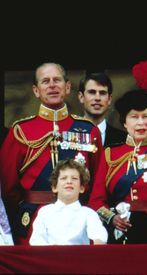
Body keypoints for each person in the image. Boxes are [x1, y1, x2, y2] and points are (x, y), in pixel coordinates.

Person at [0, 62, 103, 245]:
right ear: (36, 90)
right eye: (45, 81)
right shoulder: (21, 131)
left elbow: (97, 181)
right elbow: (9, 188)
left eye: (57, 80)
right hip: (32, 220)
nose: (52, 85)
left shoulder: (88, 131)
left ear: (68, 87)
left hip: (77, 221)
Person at [88, 61, 147, 244]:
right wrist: (111, 218)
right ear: (124, 122)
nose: (141, 123)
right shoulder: (111, 154)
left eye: (146, 117)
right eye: (134, 117)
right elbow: (96, 201)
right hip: (121, 231)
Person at [29, 159, 107, 245]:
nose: (69, 181)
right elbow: (36, 240)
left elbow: (100, 235)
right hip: (50, 256)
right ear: (54, 187)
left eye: (74, 178)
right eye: (63, 178)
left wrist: (98, 244)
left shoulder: (88, 213)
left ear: (81, 188)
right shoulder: (45, 212)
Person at [78, 72, 126, 147]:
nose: (97, 98)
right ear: (81, 97)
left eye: (102, 93)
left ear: (109, 99)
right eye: (92, 92)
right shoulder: (70, 133)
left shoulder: (124, 139)